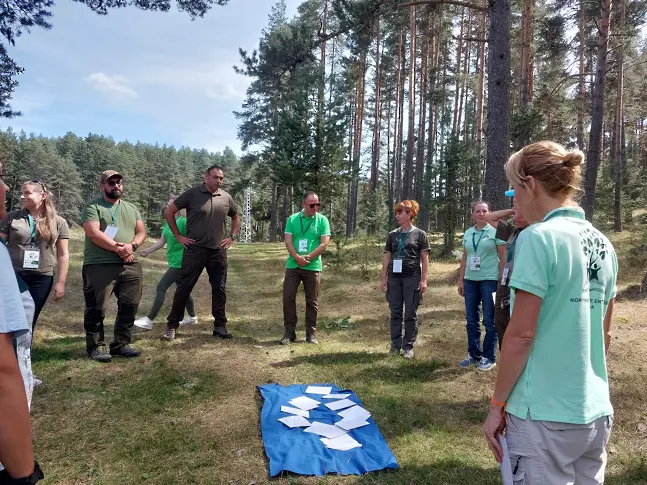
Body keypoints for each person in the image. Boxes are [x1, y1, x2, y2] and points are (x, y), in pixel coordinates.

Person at [483, 141, 618, 485]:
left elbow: (521, 335)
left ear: (530, 184)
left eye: (514, 189)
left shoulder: (538, 239)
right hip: (594, 411)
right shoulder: (604, 244)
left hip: (541, 416)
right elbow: (604, 333)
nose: (514, 199)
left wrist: (497, 404)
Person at [0, 161, 44, 484]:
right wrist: (23, 477)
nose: (6, 189)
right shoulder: (11, 221)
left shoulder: (54, 219)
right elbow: (2, 373)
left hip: (34, 282)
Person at [161, 165, 239, 341]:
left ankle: (220, 326)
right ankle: (172, 325)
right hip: (194, 250)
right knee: (184, 287)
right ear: (206, 177)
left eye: (221, 178)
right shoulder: (192, 194)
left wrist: (232, 236)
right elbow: (170, 211)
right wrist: (179, 236)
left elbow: (235, 216)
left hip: (218, 252)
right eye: (216, 177)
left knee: (219, 288)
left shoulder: (226, 197)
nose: (219, 181)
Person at [81, 170, 147, 362]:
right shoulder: (93, 206)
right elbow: (93, 233)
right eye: (111, 183)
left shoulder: (131, 208)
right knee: (96, 308)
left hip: (130, 264)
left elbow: (141, 232)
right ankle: (95, 346)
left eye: (119, 182)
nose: (116, 186)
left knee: (130, 305)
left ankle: (121, 344)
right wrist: (119, 249)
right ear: (103, 186)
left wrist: (132, 246)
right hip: (99, 264)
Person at [0, 180, 70, 335]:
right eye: (22, 192)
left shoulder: (58, 222)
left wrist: (61, 282)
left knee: (30, 317)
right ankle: (9, 353)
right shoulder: (12, 218)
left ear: (42, 196)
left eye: (27, 193)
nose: (22, 196)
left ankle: (23, 355)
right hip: (14, 276)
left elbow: (63, 254)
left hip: (42, 278)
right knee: (12, 317)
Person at [134, 197, 197, 330]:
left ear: (178, 207)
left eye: (171, 204)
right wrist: (148, 251)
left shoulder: (184, 222)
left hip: (181, 262)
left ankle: (149, 320)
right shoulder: (169, 222)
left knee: (161, 287)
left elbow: (194, 239)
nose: (168, 206)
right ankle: (192, 317)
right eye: (168, 204)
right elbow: (162, 241)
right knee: (183, 289)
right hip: (173, 260)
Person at [458, 200, 505, 371]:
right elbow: (465, 257)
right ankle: (473, 354)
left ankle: (489, 357)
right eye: (477, 211)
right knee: (471, 320)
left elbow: (503, 255)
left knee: (490, 320)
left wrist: (501, 278)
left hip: (490, 280)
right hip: (471, 280)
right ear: (472, 214)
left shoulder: (495, 232)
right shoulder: (468, 233)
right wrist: (461, 279)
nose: (481, 214)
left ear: (489, 212)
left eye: (484, 210)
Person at [380, 200, 430, 360]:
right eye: (397, 212)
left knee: (410, 313)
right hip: (394, 279)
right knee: (395, 313)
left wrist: (423, 280)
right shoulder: (392, 235)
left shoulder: (420, 234)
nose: (397, 215)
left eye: (400, 212)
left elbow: (425, 259)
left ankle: (408, 346)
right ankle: (395, 345)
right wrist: (384, 278)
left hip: (412, 278)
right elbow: (387, 257)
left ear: (410, 214)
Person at [279, 191, 331, 345]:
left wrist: (308, 257)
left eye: (318, 204)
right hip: (293, 265)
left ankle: (311, 333)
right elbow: (288, 241)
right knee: (288, 297)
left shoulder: (322, 220)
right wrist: (297, 258)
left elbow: (324, 244)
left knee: (312, 301)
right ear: (304, 204)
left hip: (313, 266)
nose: (316, 207)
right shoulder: (293, 219)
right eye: (312, 205)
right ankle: (289, 332)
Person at [485, 194, 529, 348]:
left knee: (518, 324)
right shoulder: (512, 231)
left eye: (519, 206)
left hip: (521, 286)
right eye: (514, 204)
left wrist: (521, 209)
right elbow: (489, 217)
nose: (516, 213)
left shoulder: (533, 233)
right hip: (505, 284)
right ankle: (505, 356)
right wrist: (513, 210)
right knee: (500, 321)